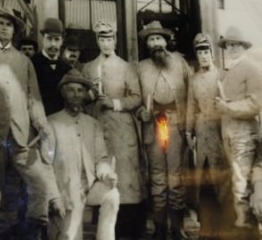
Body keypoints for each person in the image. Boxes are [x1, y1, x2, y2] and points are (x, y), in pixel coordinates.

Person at [0, 7, 62, 239]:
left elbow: (34, 99)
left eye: (9, 25)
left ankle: (34, 230)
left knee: (39, 183)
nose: (4, 28)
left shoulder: (23, 60)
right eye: (0, 23)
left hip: (22, 136)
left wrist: (42, 127)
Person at [82, 21, 146, 239]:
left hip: (122, 128)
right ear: (97, 41)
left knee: (126, 177)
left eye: (109, 39)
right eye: (102, 39)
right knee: (102, 173)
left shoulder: (127, 67)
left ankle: (128, 228)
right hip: (98, 126)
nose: (106, 43)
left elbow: (136, 97)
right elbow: (80, 97)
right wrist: (91, 95)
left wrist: (115, 103)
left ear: (115, 40)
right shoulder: (89, 68)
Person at [47, 69, 120, 240]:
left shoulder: (92, 124)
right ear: (63, 93)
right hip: (65, 192)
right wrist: (55, 196)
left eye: (80, 91)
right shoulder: (51, 123)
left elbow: (101, 158)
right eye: (71, 90)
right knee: (71, 236)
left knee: (112, 195)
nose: (76, 95)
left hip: (90, 186)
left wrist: (107, 174)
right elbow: (45, 166)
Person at [136, 20, 191, 240]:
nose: (156, 42)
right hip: (154, 126)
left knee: (175, 176)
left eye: (159, 38)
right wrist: (143, 113)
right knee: (157, 176)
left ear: (166, 41)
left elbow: (191, 94)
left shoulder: (180, 63)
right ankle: (159, 228)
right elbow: (136, 101)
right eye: (151, 39)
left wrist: (189, 124)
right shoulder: (140, 68)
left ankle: (177, 228)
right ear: (147, 44)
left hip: (175, 123)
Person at [215, 26, 262, 229]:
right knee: (238, 183)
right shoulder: (230, 72)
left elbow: (255, 104)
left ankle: (247, 229)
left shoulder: (252, 70)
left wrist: (227, 107)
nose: (232, 48)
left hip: (244, 135)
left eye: (236, 44)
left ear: (244, 47)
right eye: (229, 44)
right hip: (230, 135)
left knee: (241, 185)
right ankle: (244, 225)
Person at [186, 33, 229, 238]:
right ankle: (205, 229)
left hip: (220, 135)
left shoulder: (222, 75)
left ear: (212, 53)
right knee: (203, 184)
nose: (203, 56)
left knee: (219, 180)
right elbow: (190, 107)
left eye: (206, 51)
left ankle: (222, 229)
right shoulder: (194, 79)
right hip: (201, 135)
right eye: (200, 52)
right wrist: (188, 130)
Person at [31, 18, 70, 116]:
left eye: (57, 39)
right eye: (49, 38)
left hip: (61, 122)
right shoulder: (31, 63)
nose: (53, 44)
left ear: (62, 41)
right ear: (42, 39)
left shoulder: (67, 68)